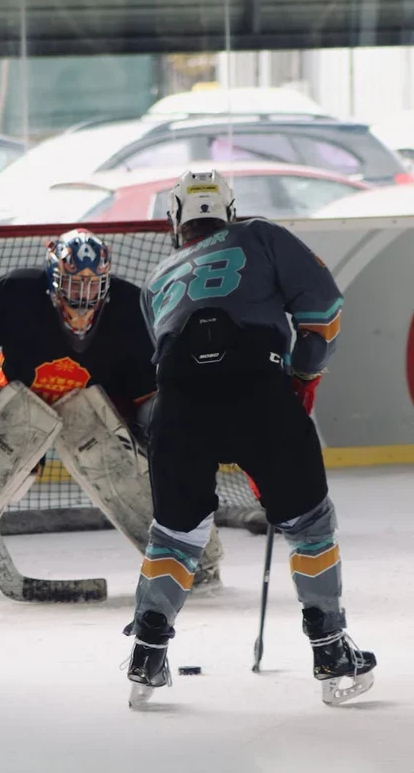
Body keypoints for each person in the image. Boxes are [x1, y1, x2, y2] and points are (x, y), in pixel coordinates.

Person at [124, 170, 376, 707]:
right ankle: (330, 648)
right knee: (308, 524)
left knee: (175, 533)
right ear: (229, 211)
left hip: (178, 407)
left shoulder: (156, 279)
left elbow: (166, 354)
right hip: (257, 393)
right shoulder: (261, 235)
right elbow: (323, 312)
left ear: (177, 220)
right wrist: (304, 377)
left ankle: (146, 652)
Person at [0, 228, 223, 591]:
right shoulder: (17, 292)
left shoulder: (131, 307)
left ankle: (193, 559)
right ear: (53, 279)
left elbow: (151, 385)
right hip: (12, 405)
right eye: (74, 284)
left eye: (92, 285)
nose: (83, 296)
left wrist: (161, 434)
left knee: (137, 458)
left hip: (95, 413)